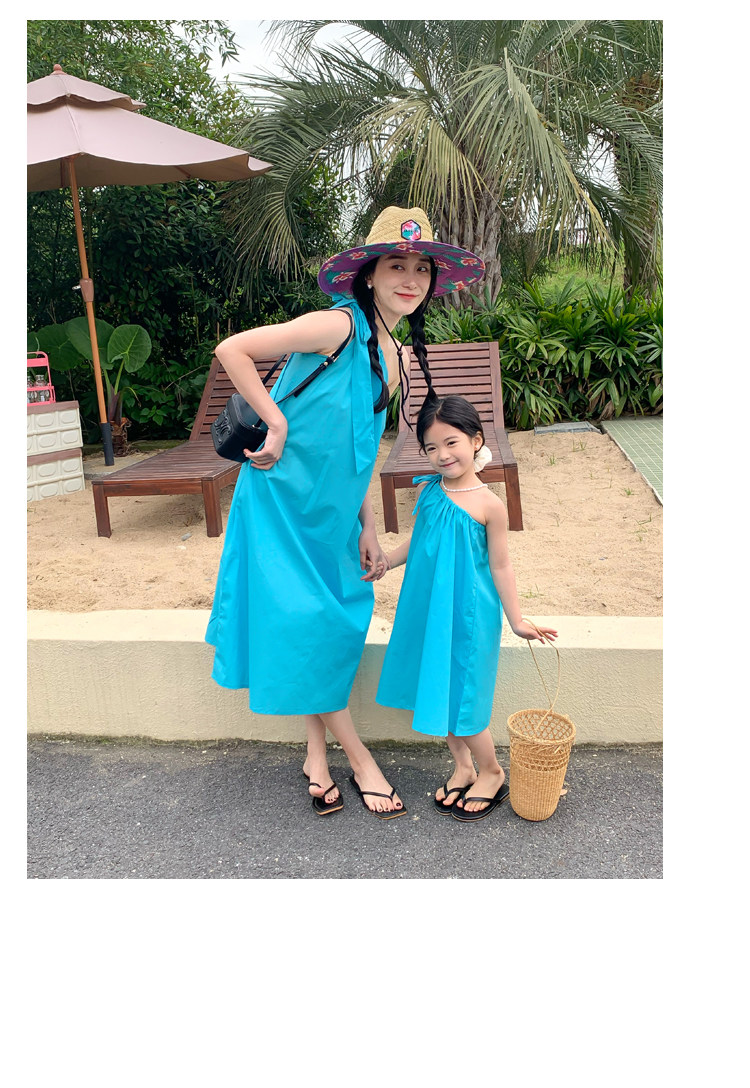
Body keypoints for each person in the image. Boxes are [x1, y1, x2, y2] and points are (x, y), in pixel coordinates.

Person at [205, 206, 486, 818]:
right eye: (396, 266)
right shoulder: (335, 326)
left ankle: (315, 754)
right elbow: (233, 349)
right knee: (310, 621)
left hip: (332, 512)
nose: (410, 279)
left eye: (421, 269)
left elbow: (362, 447)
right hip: (280, 502)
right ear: (369, 274)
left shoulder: (399, 356)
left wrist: (369, 525)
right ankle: (360, 761)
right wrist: (276, 422)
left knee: (331, 622)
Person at [375, 394, 558, 822]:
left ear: (476, 441)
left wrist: (517, 619)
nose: (442, 454)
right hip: (429, 609)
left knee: (464, 698)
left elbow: (501, 564)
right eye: (431, 447)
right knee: (439, 688)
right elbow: (418, 541)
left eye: (451, 442)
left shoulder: (490, 505)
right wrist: (386, 562)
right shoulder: (430, 491)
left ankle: (492, 771)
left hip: (469, 616)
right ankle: (463, 767)